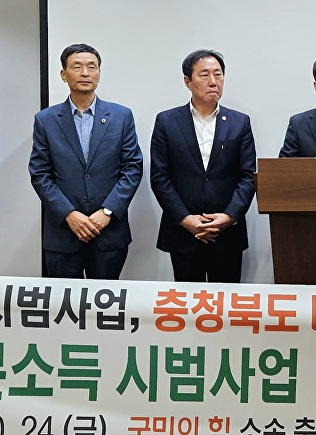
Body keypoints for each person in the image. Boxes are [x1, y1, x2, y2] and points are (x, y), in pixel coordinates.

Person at [29, 43, 143, 279]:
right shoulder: (46, 120)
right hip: (63, 234)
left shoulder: (121, 116)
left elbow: (132, 168)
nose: (85, 73)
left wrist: (107, 212)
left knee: (106, 300)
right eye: (77, 67)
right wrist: (69, 214)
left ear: (99, 73)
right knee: (63, 301)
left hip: (108, 233)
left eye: (92, 67)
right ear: (63, 74)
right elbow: (40, 174)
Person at [150, 49, 256, 283]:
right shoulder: (167, 121)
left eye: (218, 74)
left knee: (227, 302)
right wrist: (185, 219)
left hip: (227, 234)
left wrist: (228, 217)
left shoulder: (240, 122)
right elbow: (160, 177)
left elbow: (248, 177)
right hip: (183, 232)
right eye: (204, 75)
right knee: (187, 303)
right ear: (187, 81)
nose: (213, 81)